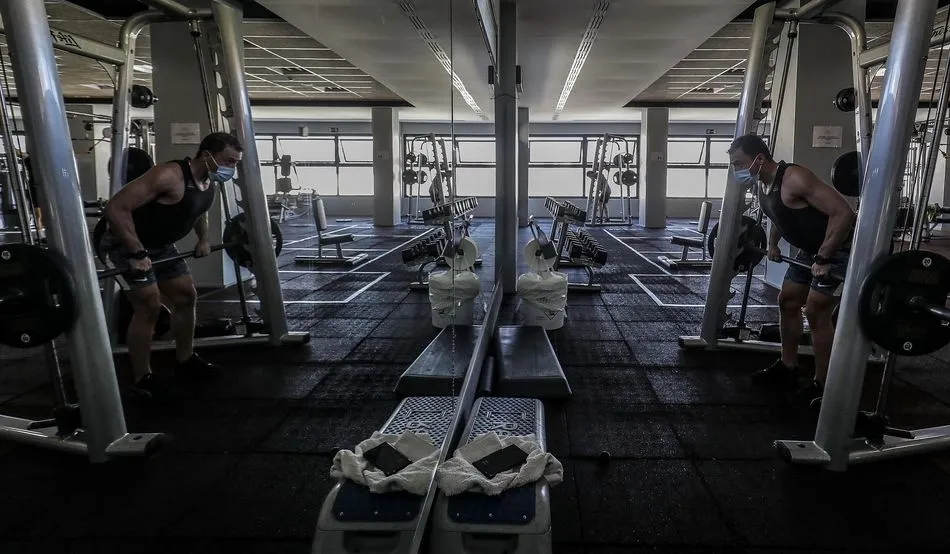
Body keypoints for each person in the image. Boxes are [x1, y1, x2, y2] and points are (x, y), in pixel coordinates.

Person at [102, 132, 243, 398]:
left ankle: (185, 360)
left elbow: (198, 211)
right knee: (149, 306)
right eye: (229, 161)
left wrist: (203, 239)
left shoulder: (208, 182)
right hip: (122, 245)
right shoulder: (168, 175)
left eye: (235, 163)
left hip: (161, 246)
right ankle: (142, 377)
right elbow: (115, 208)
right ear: (207, 155)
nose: (231, 168)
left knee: (186, 296)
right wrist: (136, 252)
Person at [727, 134, 856, 405]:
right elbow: (779, 215)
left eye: (739, 163)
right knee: (787, 301)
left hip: (838, 247)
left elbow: (843, 213)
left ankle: (824, 384)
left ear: (759, 159)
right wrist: (773, 243)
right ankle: (788, 367)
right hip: (810, 250)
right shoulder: (762, 184)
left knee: (816, 311)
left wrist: (824, 256)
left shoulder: (795, 178)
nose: (737, 169)